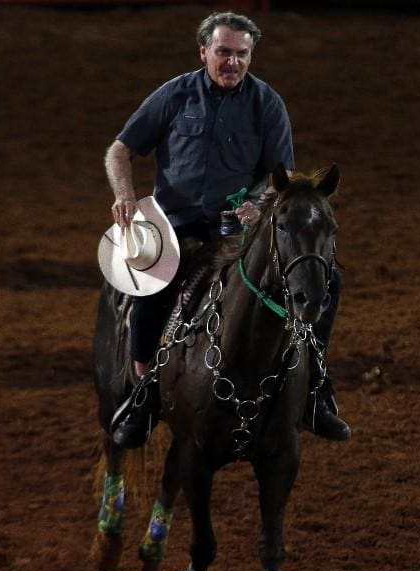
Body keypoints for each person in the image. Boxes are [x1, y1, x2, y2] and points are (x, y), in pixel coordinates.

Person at [105, 11, 350, 449]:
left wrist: (258, 204)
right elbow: (120, 150)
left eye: (241, 54)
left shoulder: (267, 103)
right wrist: (124, 196)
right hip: (175, 223)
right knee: (149, 288)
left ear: (251, 55)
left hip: (235, 228)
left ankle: (315, 388)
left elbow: (281, 172)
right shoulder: (174, 95)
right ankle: (143, 395)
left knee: (326, 279)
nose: (232, 62)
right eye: (223, 52)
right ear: (204, 52)